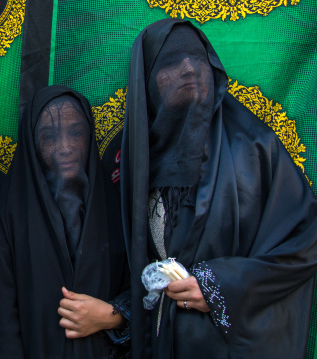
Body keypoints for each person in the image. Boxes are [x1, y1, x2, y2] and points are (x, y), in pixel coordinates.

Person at [120, 18, 317, 359]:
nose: (188, 70)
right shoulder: (135, 161)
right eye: (171, 62)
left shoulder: (254, 148)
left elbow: (306, 238)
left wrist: (217, 285)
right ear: (147, 80)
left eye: (197, 60)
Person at [0, 85, 130, 358]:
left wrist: (113, 315)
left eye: (75, 133)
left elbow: (139, 290)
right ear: (33, 144)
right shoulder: (12, 214)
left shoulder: (115, 208)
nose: (65, 147)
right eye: (50, 136)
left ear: (90, 135)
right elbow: (1, 319)